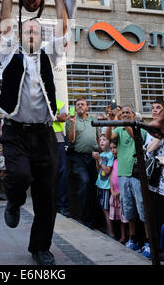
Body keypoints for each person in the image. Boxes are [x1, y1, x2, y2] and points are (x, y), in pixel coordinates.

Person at [0, 0, 69, 266]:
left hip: (43, 133)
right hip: (15, 132)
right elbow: (4, 18)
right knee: (20, 175)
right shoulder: (9, 52)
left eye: (36, 32)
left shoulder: (49, 54)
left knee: (47, 194)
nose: (31, 34)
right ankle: (13, 202)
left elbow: (65, 25)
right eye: (27, 31)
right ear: (21, 34)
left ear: (42, 37)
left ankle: (41, 247)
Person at [105, 105, 150, 257]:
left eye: (127, 113)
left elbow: (136, 140)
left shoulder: (140, 128)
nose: (124, 115)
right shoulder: (119, 130)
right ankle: (133, 239)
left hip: (137, 174)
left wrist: (124, 122)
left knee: (143, 209)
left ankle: (148, 242)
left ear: (133, 115)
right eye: (122, 113)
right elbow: (109, 137)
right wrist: (111, 121)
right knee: (128, 209)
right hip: (123, 174)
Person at [66, 97, 100, 229]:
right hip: (78, 157)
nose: (80, 106)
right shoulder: (71, 120)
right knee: (85, 182)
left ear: (87, 107)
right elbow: (71, 140)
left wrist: (100, 154)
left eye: (82, 104)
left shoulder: (92, 120)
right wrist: (73, 123)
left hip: (93, 157)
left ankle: (95, 217)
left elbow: (97, 139)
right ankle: (86, 218)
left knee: (94, 186)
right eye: (77, 104)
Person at [146, 120, 164, 258]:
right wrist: (159, 137)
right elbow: (148, 151)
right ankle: (160, 250)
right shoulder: (160, 139)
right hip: (158, 187)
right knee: (159, 219)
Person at [92, 134, 114, 237]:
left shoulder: (110, 155)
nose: (101, 141)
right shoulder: (101, 154)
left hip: (106, 186)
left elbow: (107, 170)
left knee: (106, 209)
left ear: (110, 142)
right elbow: (99, 170)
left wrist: (99, 159)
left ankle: (111, 232)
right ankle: (105, 228)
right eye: (100, 140)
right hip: (100, 184)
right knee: (102, 208)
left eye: (104, 140)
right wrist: (97, 159)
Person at [53, 97, 69, 217]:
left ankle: (62, 205)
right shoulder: (39, 102)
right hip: (43, 140)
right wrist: (55, 116)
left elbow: (63, 118)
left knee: (62, 172)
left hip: (58, 140)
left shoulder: (60, 103)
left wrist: (49, 116)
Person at [109, 140, 128, 244]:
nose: (113, 150)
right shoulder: (115, 161)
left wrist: (119, 192)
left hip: (122, 194)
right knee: (118, 217)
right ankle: (120, 235)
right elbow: (111, 176)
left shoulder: (123, 160)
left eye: (115, 148)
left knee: (124, 217)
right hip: (114, 193)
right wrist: (112, 190)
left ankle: (127, 237)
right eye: (111, 148)